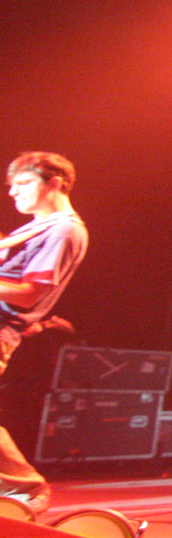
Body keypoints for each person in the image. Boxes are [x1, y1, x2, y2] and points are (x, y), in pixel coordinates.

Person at [1, 152, 89, 515]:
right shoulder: (33, 229)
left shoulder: (64, 230)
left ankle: (25, 491)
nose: (13, 192)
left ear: (55, 183)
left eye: (24, 183)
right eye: (11, 185)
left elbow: (31, 293)